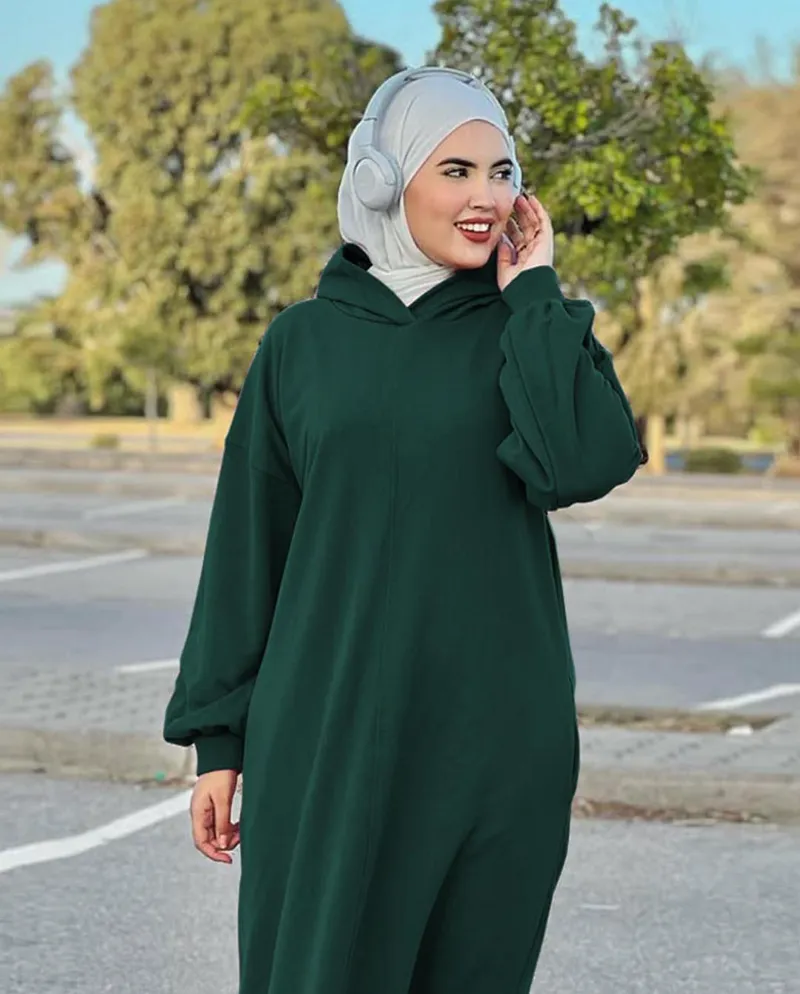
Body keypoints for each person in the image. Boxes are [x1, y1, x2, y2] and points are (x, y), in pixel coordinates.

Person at [163, 65, 644, 994]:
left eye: (502, 173)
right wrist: (217, 741)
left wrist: (535, 297)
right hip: (325, 733)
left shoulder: (529, 329)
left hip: (495, 741)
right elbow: (248, 547)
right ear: (383, 180)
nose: (485, 197)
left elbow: (585, 463)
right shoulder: (301, 344)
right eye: (456, 170)